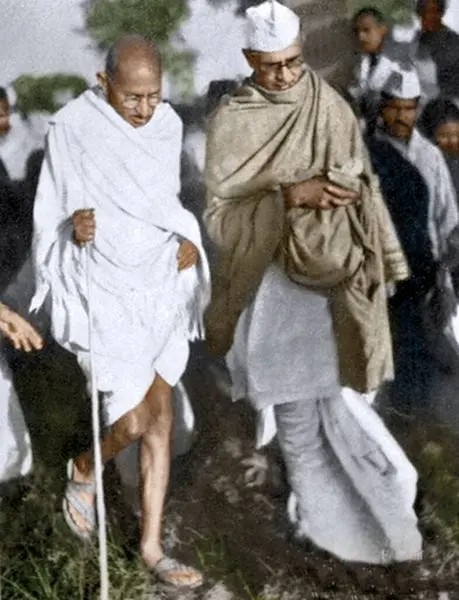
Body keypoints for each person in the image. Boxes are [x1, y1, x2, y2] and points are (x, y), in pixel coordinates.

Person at [204, 0, 422, 566]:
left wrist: (383, 260)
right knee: (298, 428)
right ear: (250, 58)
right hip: (273, 295)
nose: (285, 75)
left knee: (351, 414)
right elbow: (221, 219)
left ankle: (386, 531)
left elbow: (366, 188)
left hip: (338, 286)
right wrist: (289, 197)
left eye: (294, 62)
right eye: (271, 65)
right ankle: (334, 543)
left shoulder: (328, 106)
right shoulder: (234, 121)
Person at [30, 35, 210, 589]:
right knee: (130, 420)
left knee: (160, 419)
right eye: (132, 97)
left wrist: (186, 240)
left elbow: (167, 202)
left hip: (159, 279)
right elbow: (50, 213)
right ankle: (85, 466)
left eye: (153, 96)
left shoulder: (168, 126)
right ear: (103, 81)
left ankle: (153, 546)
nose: (143, 109)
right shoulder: (72, 127)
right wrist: (70, 228)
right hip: (103, 286)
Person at [367, 69, 459, 414]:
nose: (401, 116)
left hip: (428, 278)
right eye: (394, 107)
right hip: (386, 282)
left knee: (435, 368)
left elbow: (449, 224)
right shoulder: (368, 156)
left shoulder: (432, 158)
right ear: (382, 108)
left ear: (417, 109)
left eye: (409, 108)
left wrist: (443, 275)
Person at [348, 8, 399, 132]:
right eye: (357, 32)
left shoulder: (398, 62)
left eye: (366, 30)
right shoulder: (362, 63)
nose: (361, 37)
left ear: (383, 29)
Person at [413, 0, 459, 99]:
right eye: (422, 11)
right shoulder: (414, 40)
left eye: (432, 11)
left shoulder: (454, 43)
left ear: (441, 13)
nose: (426, 16)